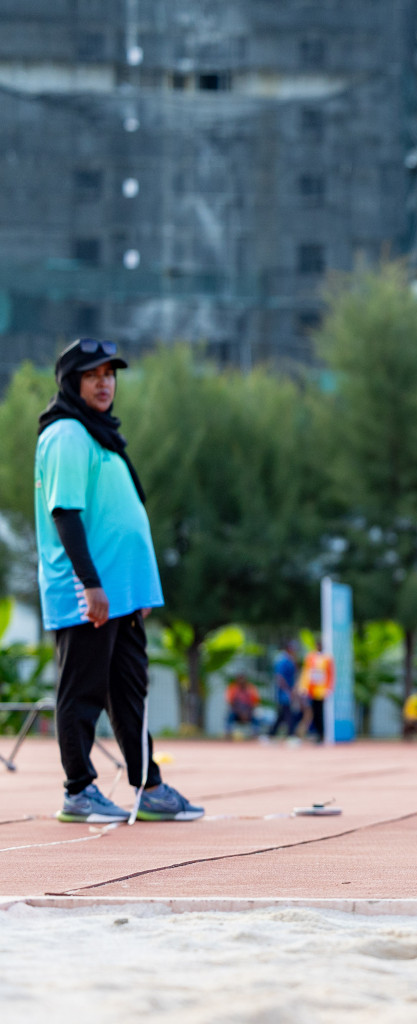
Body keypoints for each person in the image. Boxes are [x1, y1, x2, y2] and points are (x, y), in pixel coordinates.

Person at [35, 339, 202, 823]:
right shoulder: (67, 434)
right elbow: (65, 514)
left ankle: (147, 786)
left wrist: (136, 589)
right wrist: (91, 585)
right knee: (82, 689)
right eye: (93, 375)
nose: (105, 383)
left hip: (121, 594)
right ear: (72, 383)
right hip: (89, 591)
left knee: (130, 689)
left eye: (110, 374)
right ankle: (78, 789)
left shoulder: (100, 436)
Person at [298, 645, 334, 742]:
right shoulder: (311, 657)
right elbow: (306, 673)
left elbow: (330, 674)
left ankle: (321, 734)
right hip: (311, 691)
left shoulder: (327, 658)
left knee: (319, 713)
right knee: (311, 713)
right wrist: (303, 687)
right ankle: (315, 733)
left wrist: (329, 688)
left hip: (321, 691)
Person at [268, 641, 302, 740]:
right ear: (288, 649)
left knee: (282, 714)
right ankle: (291, 735)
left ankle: (271, 734)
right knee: (288, 713)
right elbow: (279, 677)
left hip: (288, 691)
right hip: (284, 692)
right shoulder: (282, 660)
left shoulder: (290, 660)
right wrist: (288, 691)